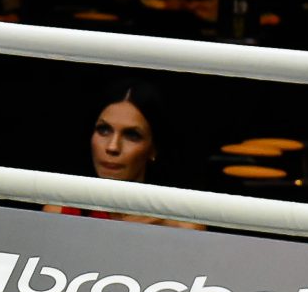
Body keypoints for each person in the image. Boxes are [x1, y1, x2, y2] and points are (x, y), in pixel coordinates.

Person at [45, 81, 200, 228]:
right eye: (104, 130)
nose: (112, 147)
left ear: (153, 148)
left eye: (132, 135)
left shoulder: (181, 226)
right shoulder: (58, 212)